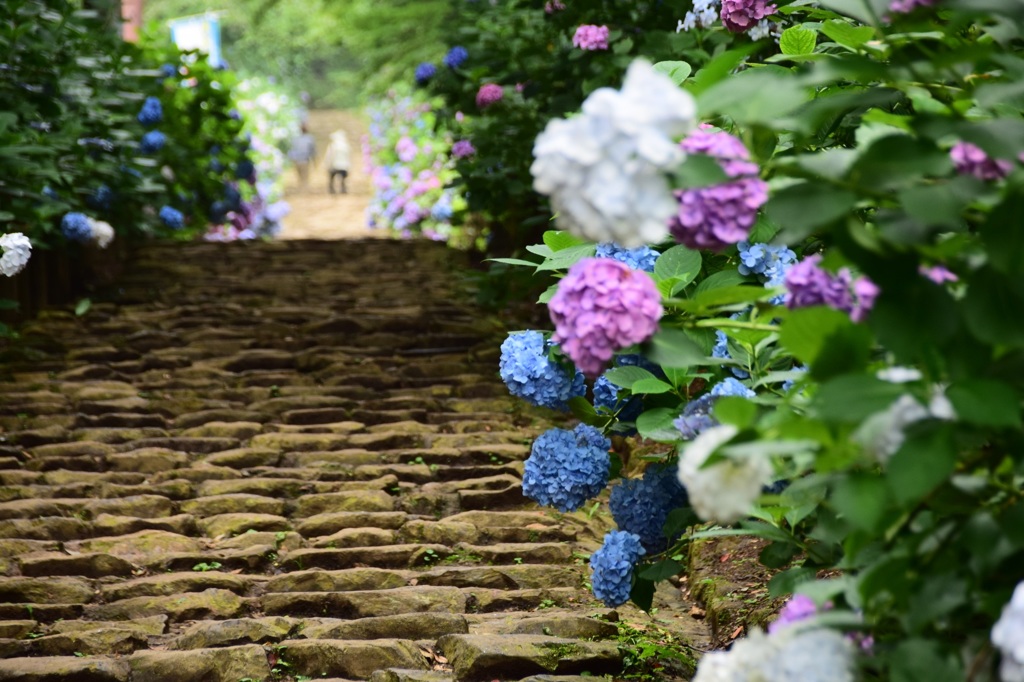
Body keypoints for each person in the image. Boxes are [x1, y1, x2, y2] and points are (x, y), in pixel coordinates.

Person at [288, 123, 316, 189]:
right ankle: (304, 187)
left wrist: (292, 159)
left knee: (300, 174)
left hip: (297, 160)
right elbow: (313, 150)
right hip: (304, 160)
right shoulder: (309, 138)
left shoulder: (295, 138)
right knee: (304, 175)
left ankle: (302, 187)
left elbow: (292, 149)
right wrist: (314, 159)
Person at [324, 129, 351, 194]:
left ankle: (332, 189)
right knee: (343, 179)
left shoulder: (333, 145)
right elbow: (349, 156)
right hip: (344, 166)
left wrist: (327, 164)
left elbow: (329, 156)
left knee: (331, 178)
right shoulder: (346, 146)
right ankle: (343, 189)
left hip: (335, 165)